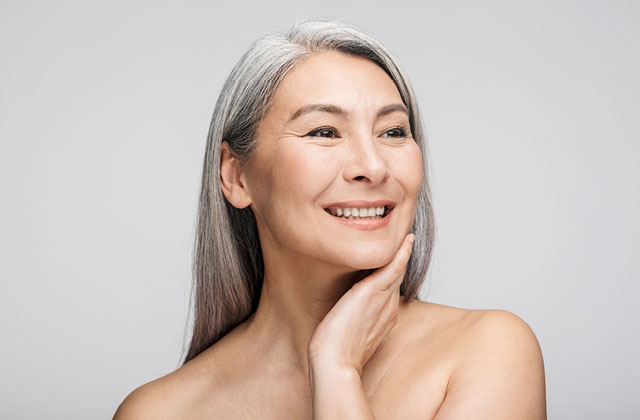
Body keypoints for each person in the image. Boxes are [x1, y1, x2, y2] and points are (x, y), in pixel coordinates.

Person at [113, 19, 546, 419]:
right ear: (236, 175)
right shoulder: (159, 411)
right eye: (324, 132)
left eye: (393, 131)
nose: (373, 167)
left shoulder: (489, 352)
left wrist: (337, 369)